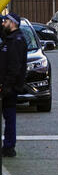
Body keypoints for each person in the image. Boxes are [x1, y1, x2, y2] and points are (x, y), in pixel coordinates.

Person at [0, 13, 27, 157]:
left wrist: (7, 87)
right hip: (8, 86)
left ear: (13, 23)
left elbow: (14, 67)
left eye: (6, 21)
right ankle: (8, 145)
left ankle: (9, 147)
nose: (4, 23)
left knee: (9, 117)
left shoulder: (16, 41)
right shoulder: (10, 38)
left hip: (9, 87)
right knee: (9, 116)